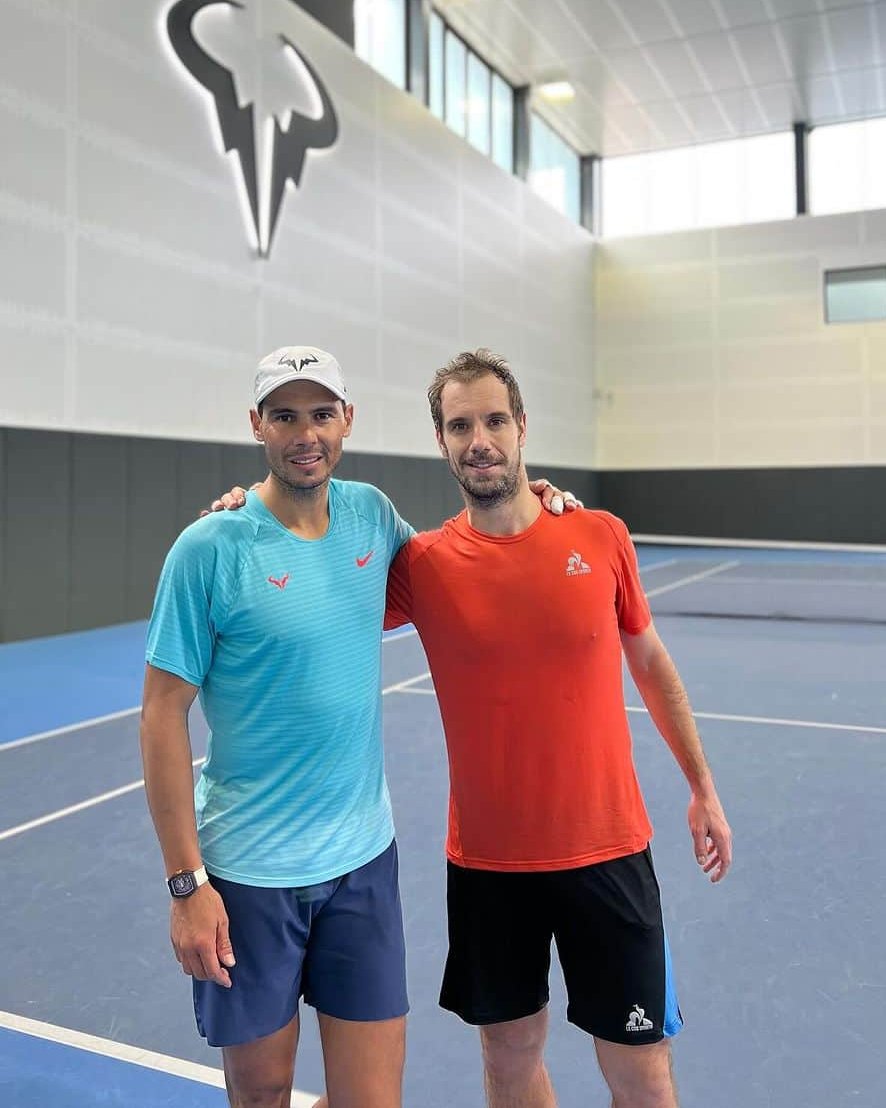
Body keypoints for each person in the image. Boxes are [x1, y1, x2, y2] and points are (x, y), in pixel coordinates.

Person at [140, 346, 576, 1108]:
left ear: (347, 420)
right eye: (284, 415)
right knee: (263, 1091)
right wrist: (187, 885)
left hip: (362, 870)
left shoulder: (374, 517)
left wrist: (530, 503)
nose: (304, 432)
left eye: (319, 413)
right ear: (257, 426)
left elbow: (462, 561)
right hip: (248, 875)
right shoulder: (207, 550)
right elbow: (161, 715)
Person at [382, 349, 733, 1108]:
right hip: (487, 865)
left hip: (609, 853)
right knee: (509, 1059)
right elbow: (313, 578)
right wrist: (256, 506)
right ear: (441, 442)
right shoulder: (422, 565)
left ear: (523, 427)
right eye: (460, 424)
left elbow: (651, 664)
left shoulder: (600, 535)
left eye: (494, 419)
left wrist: (702, 787)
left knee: (643, 1073)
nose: (480, 438)